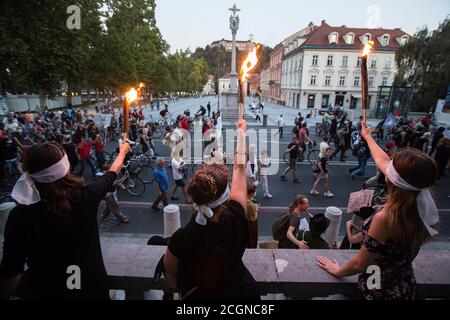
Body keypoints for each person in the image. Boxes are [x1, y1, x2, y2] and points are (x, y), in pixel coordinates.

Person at [317, 124, 440, 300]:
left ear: (391, 179)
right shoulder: (420, 203)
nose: (386, 167)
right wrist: (367, 136)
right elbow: (382, 161)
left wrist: (337, 270)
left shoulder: (386, 219)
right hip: (403, 282)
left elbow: (360, 263)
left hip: (378, 289)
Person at [0, 139, 130, 299]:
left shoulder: (20, 216)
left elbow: (10, 273)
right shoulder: (86, 196)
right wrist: (123, 151)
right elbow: (112, 172)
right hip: (90, 288)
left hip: (46, 291)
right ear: (66, 167)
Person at [163, 120, 260, 300]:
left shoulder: (180, 239)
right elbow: (239, 167)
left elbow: (171, 280)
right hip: (241, 295)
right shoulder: (237, 216)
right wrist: (241, 133)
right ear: (225, 196)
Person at [246, 183, 259, 249]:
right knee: (252, 239)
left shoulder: (242, 200)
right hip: (251, 225)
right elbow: (253, 218)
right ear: (251, 193)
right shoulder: (250, 205)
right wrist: (256, 209)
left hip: (245, 222)